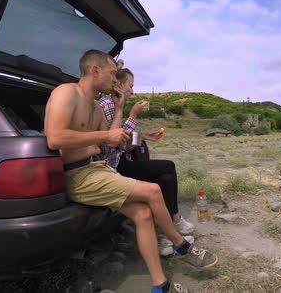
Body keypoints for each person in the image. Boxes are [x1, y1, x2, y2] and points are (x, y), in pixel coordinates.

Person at [44, 49, 217, 293]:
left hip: (98, 169)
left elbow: (113, 141)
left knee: (143, 214)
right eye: (112, 74)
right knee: (153, 190)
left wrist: (118, 109)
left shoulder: (95, 106)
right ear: (95, 70)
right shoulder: (66, 92)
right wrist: (106, 134)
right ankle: (180, 246)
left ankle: (160, 286)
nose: (115, 80)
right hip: (78, 174)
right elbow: (55, 138)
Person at [97, 67, 195, 256]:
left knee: (166, 178)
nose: (132, 91)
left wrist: (143, 137)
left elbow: (122, 139)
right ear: (118, 83)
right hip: (114, 167)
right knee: (168, 166)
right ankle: (174, 221)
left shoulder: (114, 103)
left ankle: (166, 237)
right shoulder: (108, 105)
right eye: (131, 86)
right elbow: (112, 143)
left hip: (120, 161)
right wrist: (133, 116)